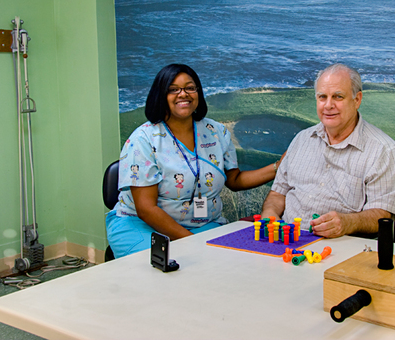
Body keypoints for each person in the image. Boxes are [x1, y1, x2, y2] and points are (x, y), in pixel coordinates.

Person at [106, 64, 282, 258]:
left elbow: (234, 180)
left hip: (202, 224)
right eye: (173, 89)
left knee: (230, 261)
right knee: (173, 266)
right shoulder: (143, 139)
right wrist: (194, 244)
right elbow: (146, 209)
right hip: (142, 226)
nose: (183, 94)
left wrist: (278, 167)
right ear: (161, 95)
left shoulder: (217, 132)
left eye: (190, 88)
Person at [261, 63, 395, 238]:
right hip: (286, 242)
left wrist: (348, 223)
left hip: (341, 248)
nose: (328, 105)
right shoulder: (301, 139)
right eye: (322, 97)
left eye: (338, 97)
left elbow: (382, 215)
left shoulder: (384, 151)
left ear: (357, 100)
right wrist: (270, 215)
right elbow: (278, 194)